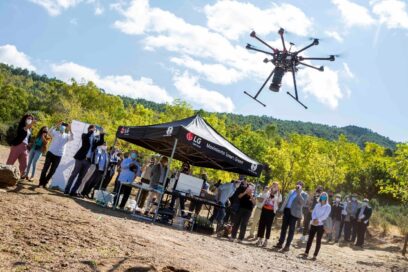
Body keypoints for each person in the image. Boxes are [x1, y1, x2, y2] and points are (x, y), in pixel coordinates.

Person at [64, 125, 105, 196]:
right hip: (80, 158)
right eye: (92, 129)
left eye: (94, 130)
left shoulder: (95, 139)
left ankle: (73, 192)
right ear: (89, 129)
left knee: (81, 177)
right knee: (74, 174)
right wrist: (91, 131)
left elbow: (101, 142)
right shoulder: (84, 135)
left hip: (88, 161)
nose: (93, 130)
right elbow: (86, 137)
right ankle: (67, 190)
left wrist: (101, 133)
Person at [274, 181, 308, 252]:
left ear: (302, 186)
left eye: (300, 184)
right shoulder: (291, 191)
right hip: (287, 211)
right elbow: (286, 201)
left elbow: (303, 203)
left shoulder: (304, 194)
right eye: (298, 184)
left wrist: (299, 194)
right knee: (283, 228)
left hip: (294, 213)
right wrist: (281, 209)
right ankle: (280, 243)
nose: (298, 185)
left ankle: (287, 245)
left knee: (291, 230)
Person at [39, 122, 73, 188]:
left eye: (64, 126)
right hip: (51, 152)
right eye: (61, 126)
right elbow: (49, 132)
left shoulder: (67, 135)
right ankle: (41, 182)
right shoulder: (55, 132)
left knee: (52, 171)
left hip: (59, 155)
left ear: (65, 128)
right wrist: (56, 125)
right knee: (45, 168)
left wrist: (70, 129)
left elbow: (72, 138)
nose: (62, 127)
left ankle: (45, 182)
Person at [301, 192, 331, 260]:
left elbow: (325, 215)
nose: (323, 197)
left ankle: (315, 255)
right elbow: (313, 212)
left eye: (324, 196)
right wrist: (314, 219)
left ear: (326, 197)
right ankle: (306, 252)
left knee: (318, 240)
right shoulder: (317, 205)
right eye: (322, 196)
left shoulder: (328, 206)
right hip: (313, 223)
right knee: (310, 239)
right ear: (320, 197)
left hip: (321, 225)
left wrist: (318, 220)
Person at [256, 182, 282, 247]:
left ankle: (266, 241)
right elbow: (263, 197)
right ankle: (259, 239)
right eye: (273, 185)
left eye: (276, 186)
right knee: (262, 224)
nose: (274, 186)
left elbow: (279, 201)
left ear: (278, 187)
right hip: (264, 209)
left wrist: (277, 193)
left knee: (268, 226)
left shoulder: (279, 194)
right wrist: (269, 189)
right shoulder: (267, 192)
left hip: (271, 212)